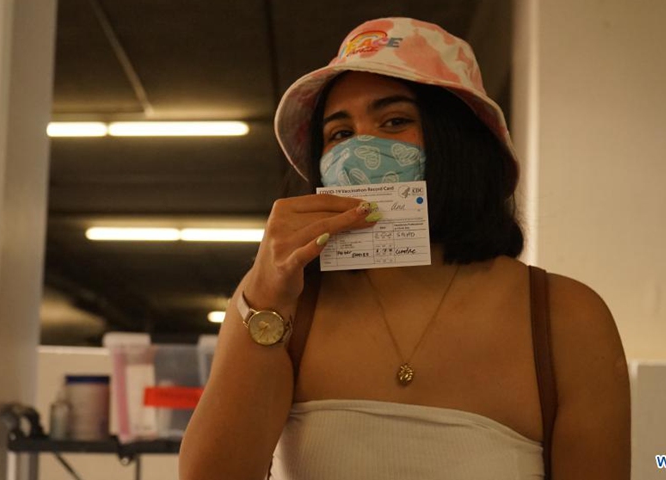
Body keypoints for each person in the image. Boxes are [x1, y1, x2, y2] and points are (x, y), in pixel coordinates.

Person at [179, 17, 630, 480]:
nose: (360, 149)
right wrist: (263, 294)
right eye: (339, 134)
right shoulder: (282, 308)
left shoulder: (565, 318)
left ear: (460, 142)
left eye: (395, 121)